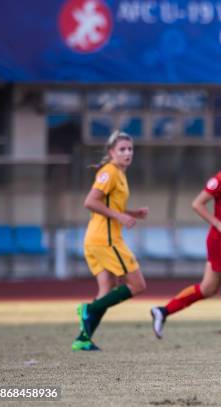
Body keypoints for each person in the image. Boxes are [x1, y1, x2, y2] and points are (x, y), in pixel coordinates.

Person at [150, 131, 221, 348]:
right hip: (220, 241)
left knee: (208, 289)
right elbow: (197, 204)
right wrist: (218, 223)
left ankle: (162, 311)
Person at [72, 130, 148, 351]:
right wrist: (119, 216)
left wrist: (132, 213)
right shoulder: (110, 172)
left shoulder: (119, 174)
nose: (127, 153)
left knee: (107, 287)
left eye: (130, 149)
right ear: (111, 152)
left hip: (96, 239)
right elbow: (90, 202)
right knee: (138, 285)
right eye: (122, 149)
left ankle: (83, 339)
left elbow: (111, 205)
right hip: (105, 240)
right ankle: (89, 309)